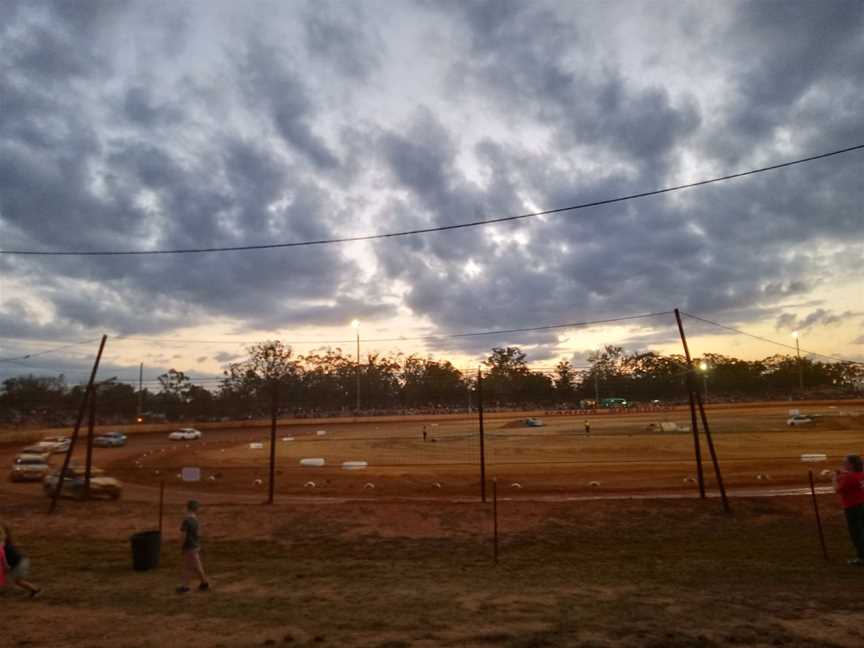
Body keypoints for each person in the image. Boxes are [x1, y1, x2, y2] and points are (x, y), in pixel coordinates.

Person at [832, 454, 864, 566]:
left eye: (845, 462)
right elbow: (853, 477)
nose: (843, 464)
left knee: (856, 533)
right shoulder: (860, 474)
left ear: (851, 465)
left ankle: (861, 558)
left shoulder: (849, 478)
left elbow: (837, 489)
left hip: (853, 508)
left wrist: (835, 478)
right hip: (862, 505)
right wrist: (844, 473)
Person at [177, 500, 210, 593]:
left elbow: (183, 535)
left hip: (189, 547)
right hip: (195, 545)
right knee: (195, 566)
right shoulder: (196, 521)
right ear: (196, 509)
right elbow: (199, 534)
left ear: (187, 508)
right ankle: (203, 583)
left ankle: (185, 587)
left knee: (189, 567)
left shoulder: (186, 521)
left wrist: (181, 546)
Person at [1, 524, 41, 598]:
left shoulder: (3, 545)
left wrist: (5, 566)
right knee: (13, 579)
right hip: (21, 561)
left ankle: (36, 590)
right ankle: (35, 590)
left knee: (18, 581)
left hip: (19, 564)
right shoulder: (6, 542)